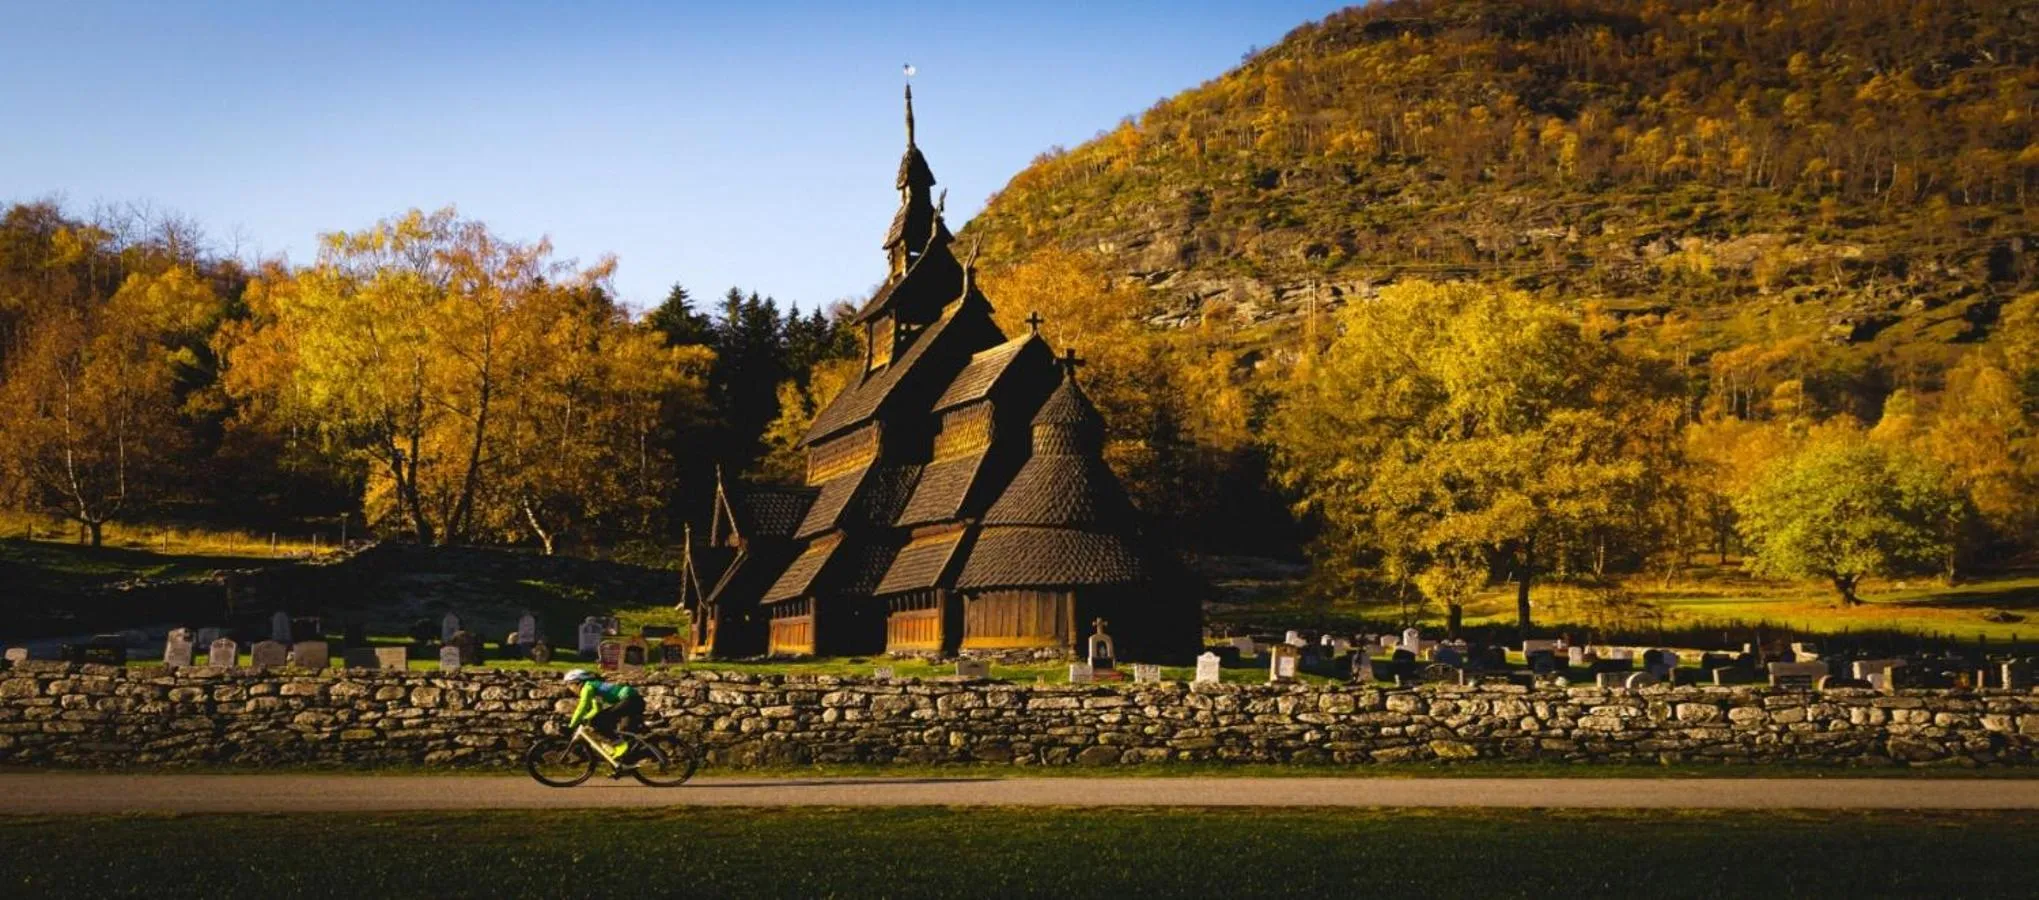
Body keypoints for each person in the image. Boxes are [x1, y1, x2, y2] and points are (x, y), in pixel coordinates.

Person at [562, 669, 644, 763]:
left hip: (630, 700)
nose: (569, 688)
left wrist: (571, 725)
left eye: (569, 685)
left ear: (577, 682)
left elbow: (582, 707)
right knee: (624, 730)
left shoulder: (587, 687)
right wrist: (585, 719)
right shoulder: (594, 686)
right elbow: (596, 709)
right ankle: (626, 764)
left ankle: (618, 744)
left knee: (598, 720)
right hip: (632, 700)